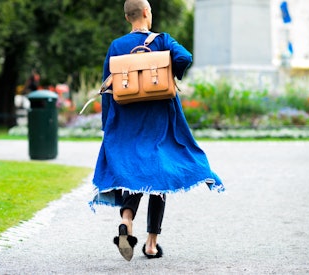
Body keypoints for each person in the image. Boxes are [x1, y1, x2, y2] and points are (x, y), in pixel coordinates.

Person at [90, 0, 225, 261]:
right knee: (158, 178)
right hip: (158, 122)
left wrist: (108, 125)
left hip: (128, 122)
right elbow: (185, 57)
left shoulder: (116, 46)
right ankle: (151, 245)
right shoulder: (162, 40)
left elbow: (108, 90)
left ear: (128, 17)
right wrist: (168, 74)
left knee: (134, 174)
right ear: (145, 13)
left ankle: (126, 222)